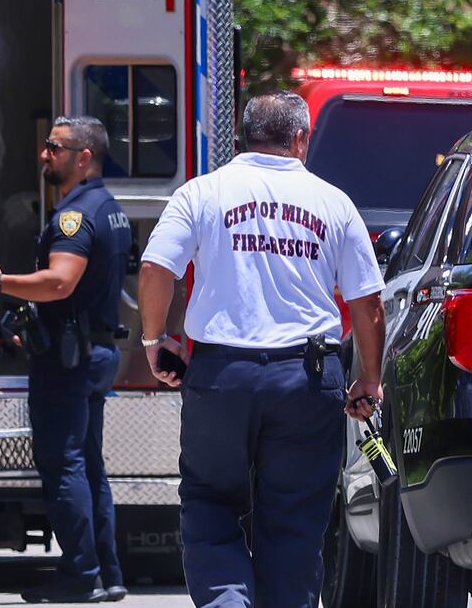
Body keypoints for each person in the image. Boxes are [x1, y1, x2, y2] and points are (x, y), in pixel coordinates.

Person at [136, 91, 388, 608]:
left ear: (244, 137)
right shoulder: (332, 202)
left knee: (210, 501)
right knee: (294, 518)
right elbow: (368, 305)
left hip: (221, 377)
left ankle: (228, 600)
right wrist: (369, 378)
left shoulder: (202, 193)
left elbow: (156, 269)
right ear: (301, 138)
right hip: (308, 377)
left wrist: (154, 338)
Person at [0, 116, 132, 604]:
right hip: (92, 349)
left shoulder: (75, 216)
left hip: (69, 360)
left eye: (55, 148)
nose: (45, 154)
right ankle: (108, 574)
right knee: (88, 464)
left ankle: (79, 574)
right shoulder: (110, 208)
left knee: (63, 464)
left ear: (83, 157)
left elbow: (60, 281)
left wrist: (0, 284)